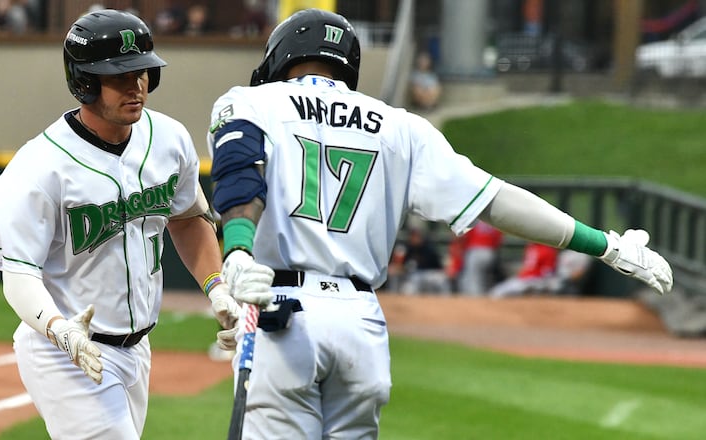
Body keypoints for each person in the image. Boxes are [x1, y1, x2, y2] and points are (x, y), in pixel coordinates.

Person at [207, 8, 672, 439]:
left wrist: (239, 251)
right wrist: (606, 245)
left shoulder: (252, 102)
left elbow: (238, 175)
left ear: (280, 57)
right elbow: (496, 200)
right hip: (361, 324)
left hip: (279, 310)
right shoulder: (400, 125)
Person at [0, 9, 239, 438]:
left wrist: (218, 288)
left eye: (142, 73)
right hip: (60, 350)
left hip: (138, 349)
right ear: (84, 81)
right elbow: (19, 276)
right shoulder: (39, 167)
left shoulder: (169, 139)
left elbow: (190, 219)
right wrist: (60, 330)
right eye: (119, 76)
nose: (136, 86)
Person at [489, 242, 559, 298]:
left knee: (497, 292)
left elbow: (548, 273)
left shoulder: (547, 249)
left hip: (535, 280)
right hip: (524, 279)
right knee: (496, 292)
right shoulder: (531, 246)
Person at [395, 226, 450, 294]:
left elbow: (438, 265)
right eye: (413, 237)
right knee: (408, 288)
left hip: (431, 273)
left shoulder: (428, 248)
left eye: (417, 236)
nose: (414, 239)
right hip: (416, 274)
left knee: (442, 279)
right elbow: (403, 265)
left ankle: (447, 300)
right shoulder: (409, 249)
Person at [456, 220, 504, 295]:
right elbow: (499, 240)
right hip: (490, 251)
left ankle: (476, 302)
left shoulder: (474, 218)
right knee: (484, 280)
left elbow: (464, 236)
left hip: (475, 250)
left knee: (473, 280)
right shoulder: (493, 220)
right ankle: (483, 299)